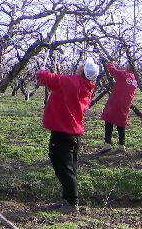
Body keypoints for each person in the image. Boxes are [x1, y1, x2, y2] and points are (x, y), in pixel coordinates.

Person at [36, 57, 99, 214]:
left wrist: (40, 71)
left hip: (63, 133)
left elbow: (46, 78)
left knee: (62, 168)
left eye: (82, 66)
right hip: (73, 133)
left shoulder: (72, 82)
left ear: (83, 71)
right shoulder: (86, 86)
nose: (78, 66)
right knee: (70, 168)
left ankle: (72, 203)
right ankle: (67, 200)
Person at [100, 59, 137, 153]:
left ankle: (107, 144)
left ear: (128, 67)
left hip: (115, 102)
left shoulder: (124, 74)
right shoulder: (135, 80)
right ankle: (122, 144)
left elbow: (113, 71)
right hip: (125, 104)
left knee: (109, 120)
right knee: (121, 122)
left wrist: (110, 62)